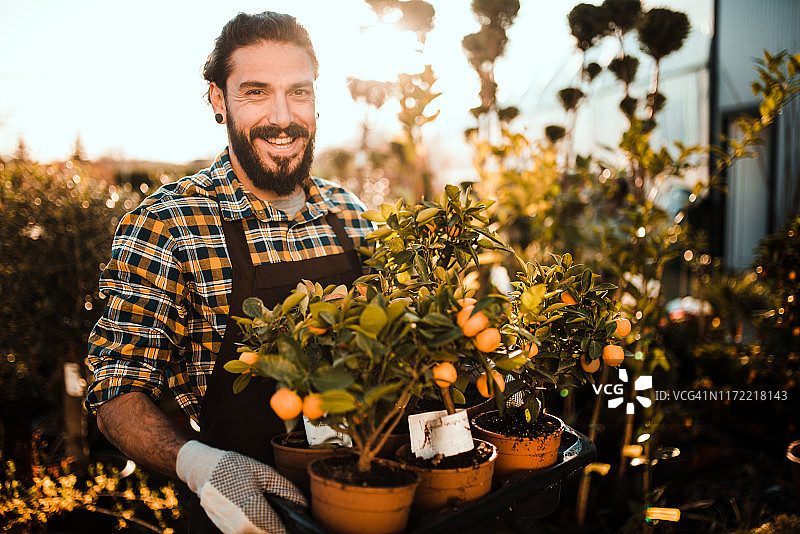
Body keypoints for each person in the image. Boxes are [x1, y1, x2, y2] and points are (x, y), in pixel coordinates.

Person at [85, 12, 374, 534]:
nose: (282, 118)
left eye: (299, 92)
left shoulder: (348, 213)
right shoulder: (168, 224)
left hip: (367, 498)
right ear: (219, 100)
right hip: (239, 516)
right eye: (256, 92)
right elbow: (115, 388)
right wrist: (199, 465)